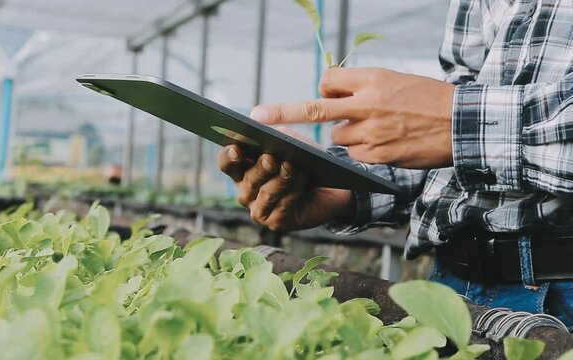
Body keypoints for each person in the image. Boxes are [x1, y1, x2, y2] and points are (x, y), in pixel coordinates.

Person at [217, 0, 573, 329]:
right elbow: (455, 144)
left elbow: (457, 123)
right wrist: (346, 183)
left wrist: (457, 122)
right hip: (453, 288)